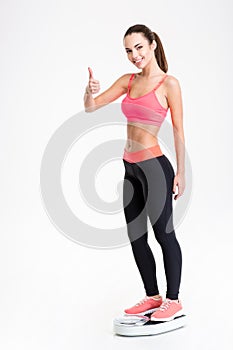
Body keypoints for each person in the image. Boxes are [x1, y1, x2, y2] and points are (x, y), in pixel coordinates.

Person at [84, 24, 186, 322]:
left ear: (153, 44)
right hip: (129, 167)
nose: (134, 55)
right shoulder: (127, 81)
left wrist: (180, 173)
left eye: (139, 47)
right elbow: (92, 107)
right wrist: (88, 92)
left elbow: (179, 130)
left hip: (155, 167)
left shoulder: (169, 84)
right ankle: (153, 296)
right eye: (129, 50)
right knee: (136, 236)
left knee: (163, 234)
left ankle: (174, 300)